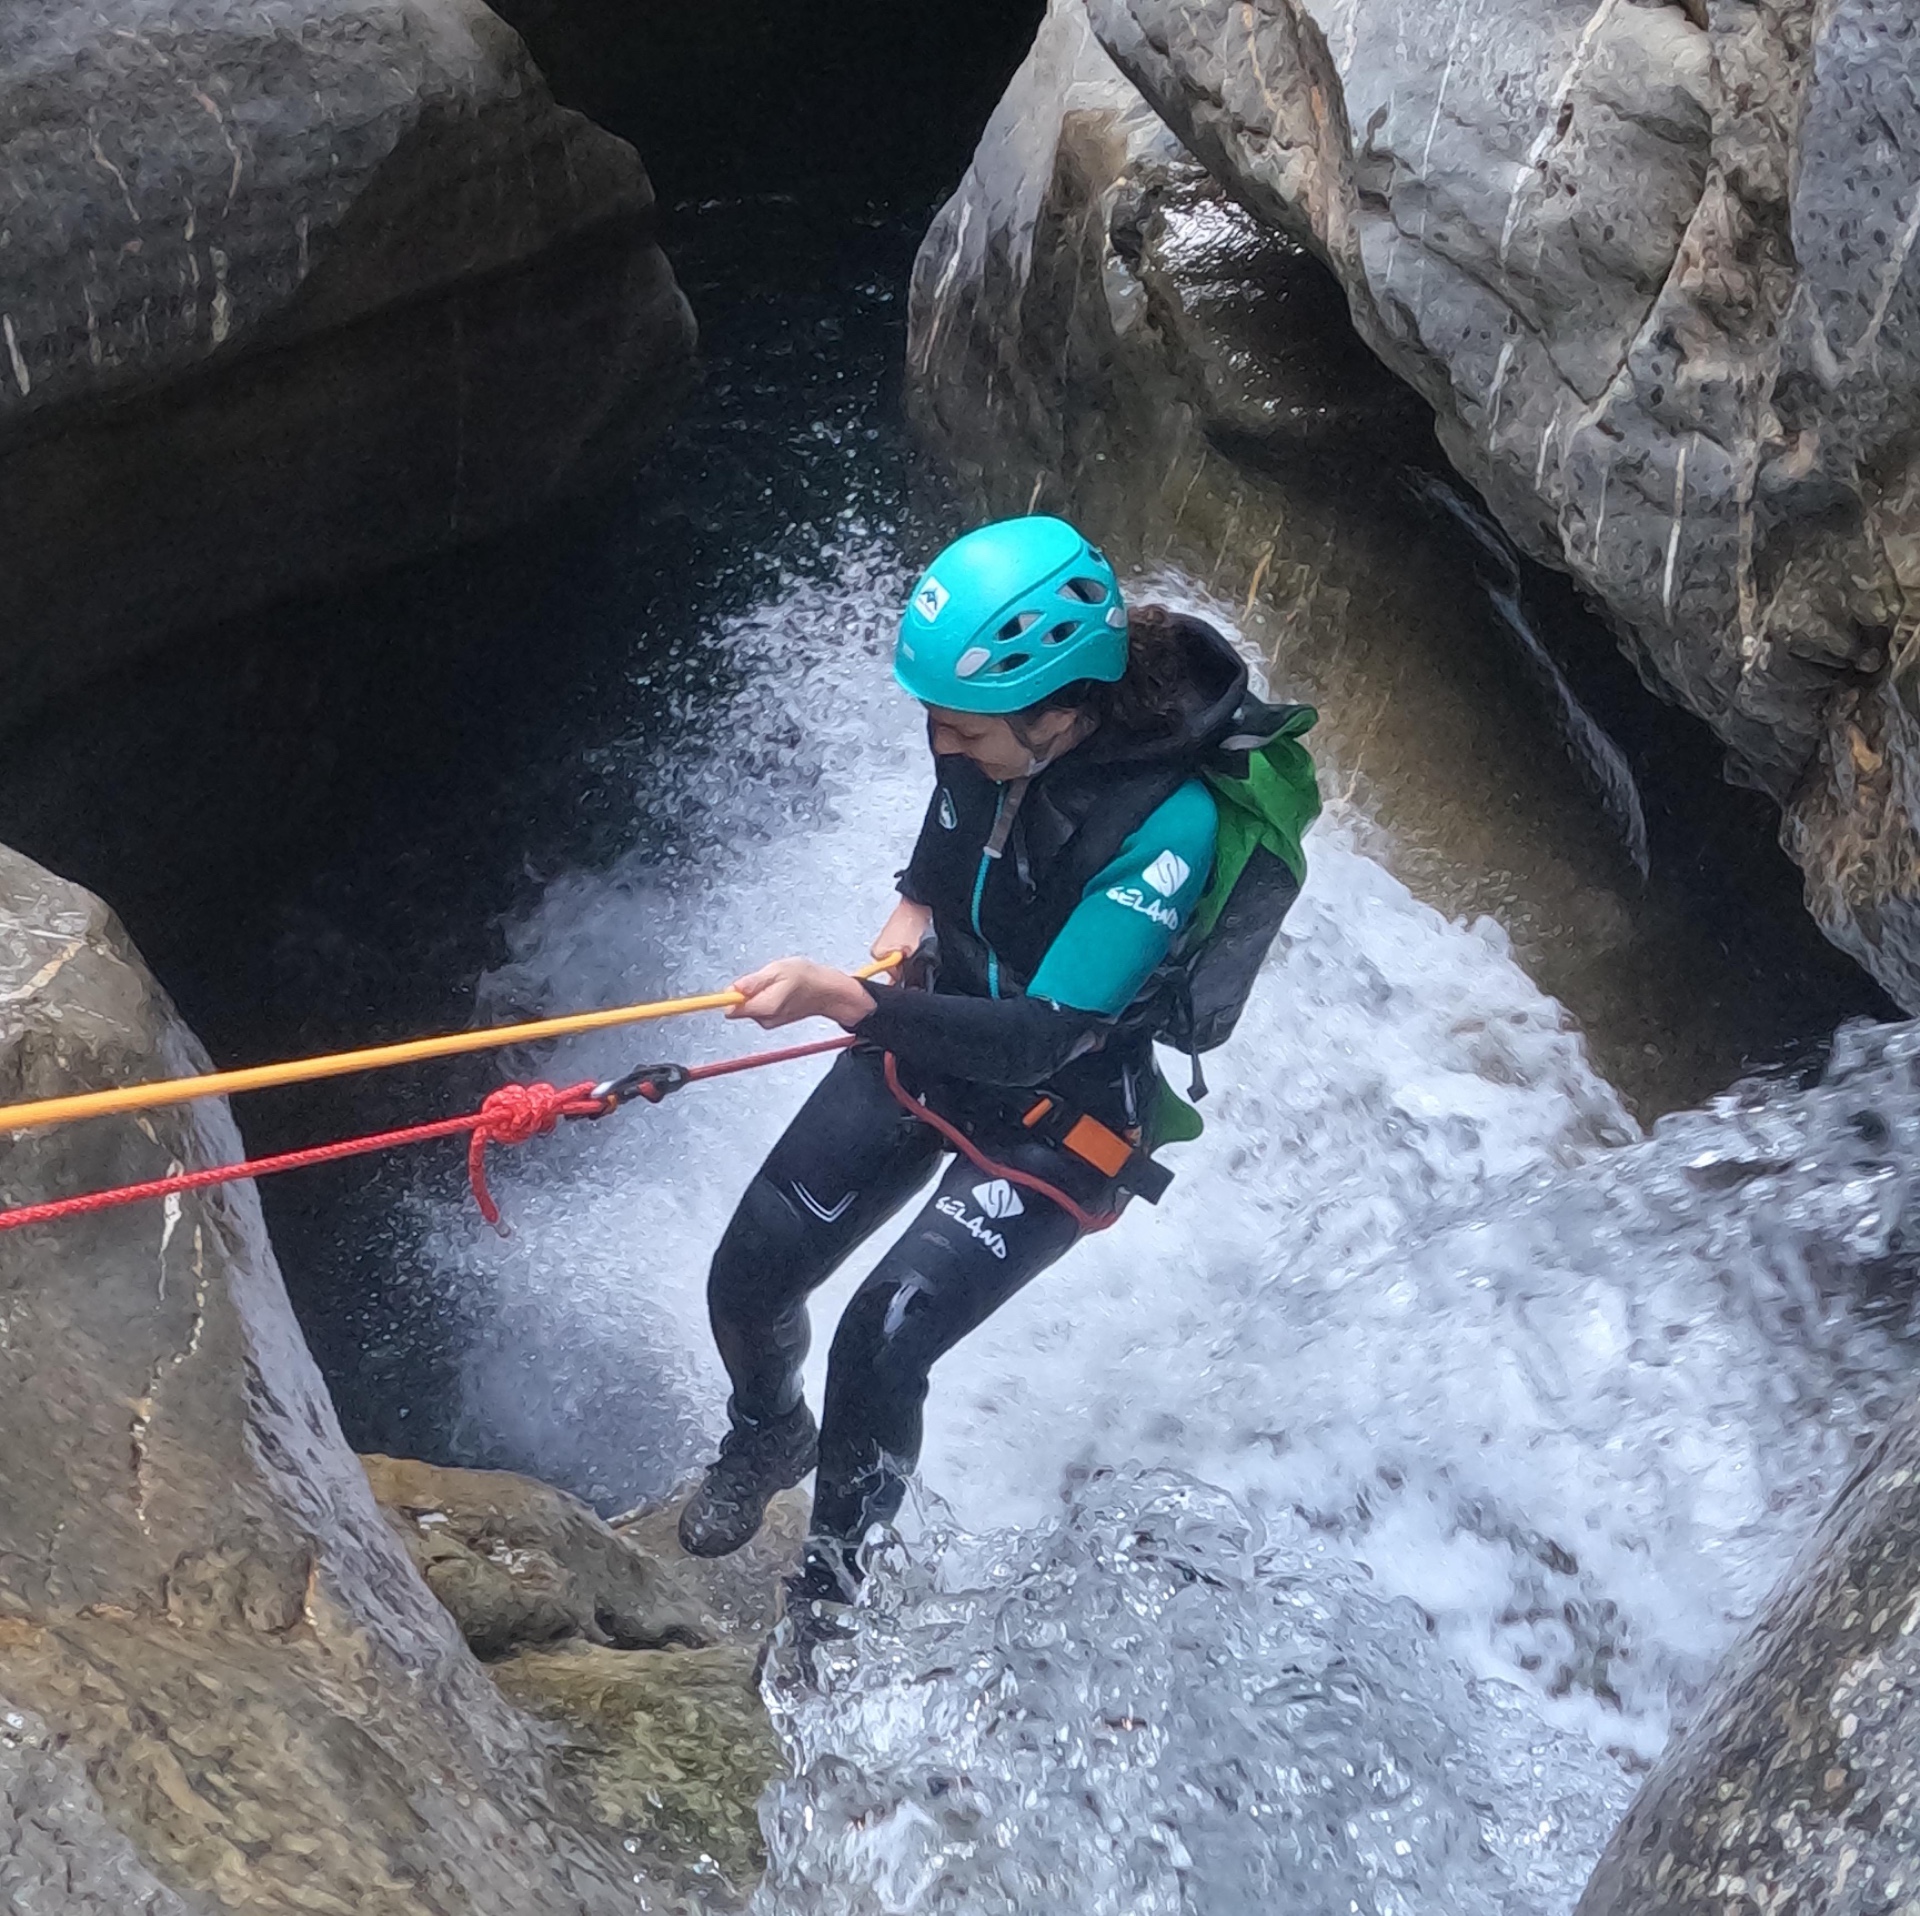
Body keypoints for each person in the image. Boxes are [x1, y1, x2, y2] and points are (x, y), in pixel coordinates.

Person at [676, 515, 1310, 1609]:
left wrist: (847, 998)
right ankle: (769, 1431)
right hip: (936, 1025)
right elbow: (935, 865)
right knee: (749, 1271)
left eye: (962, 728)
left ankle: (833, 1601)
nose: (941, 747)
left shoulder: (1171, 824)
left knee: (882, 1335)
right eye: (936, 722)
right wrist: (905, 927)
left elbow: (1046, 1033)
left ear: (1060, 709)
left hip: (1061, 1108)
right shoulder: (991, 740)